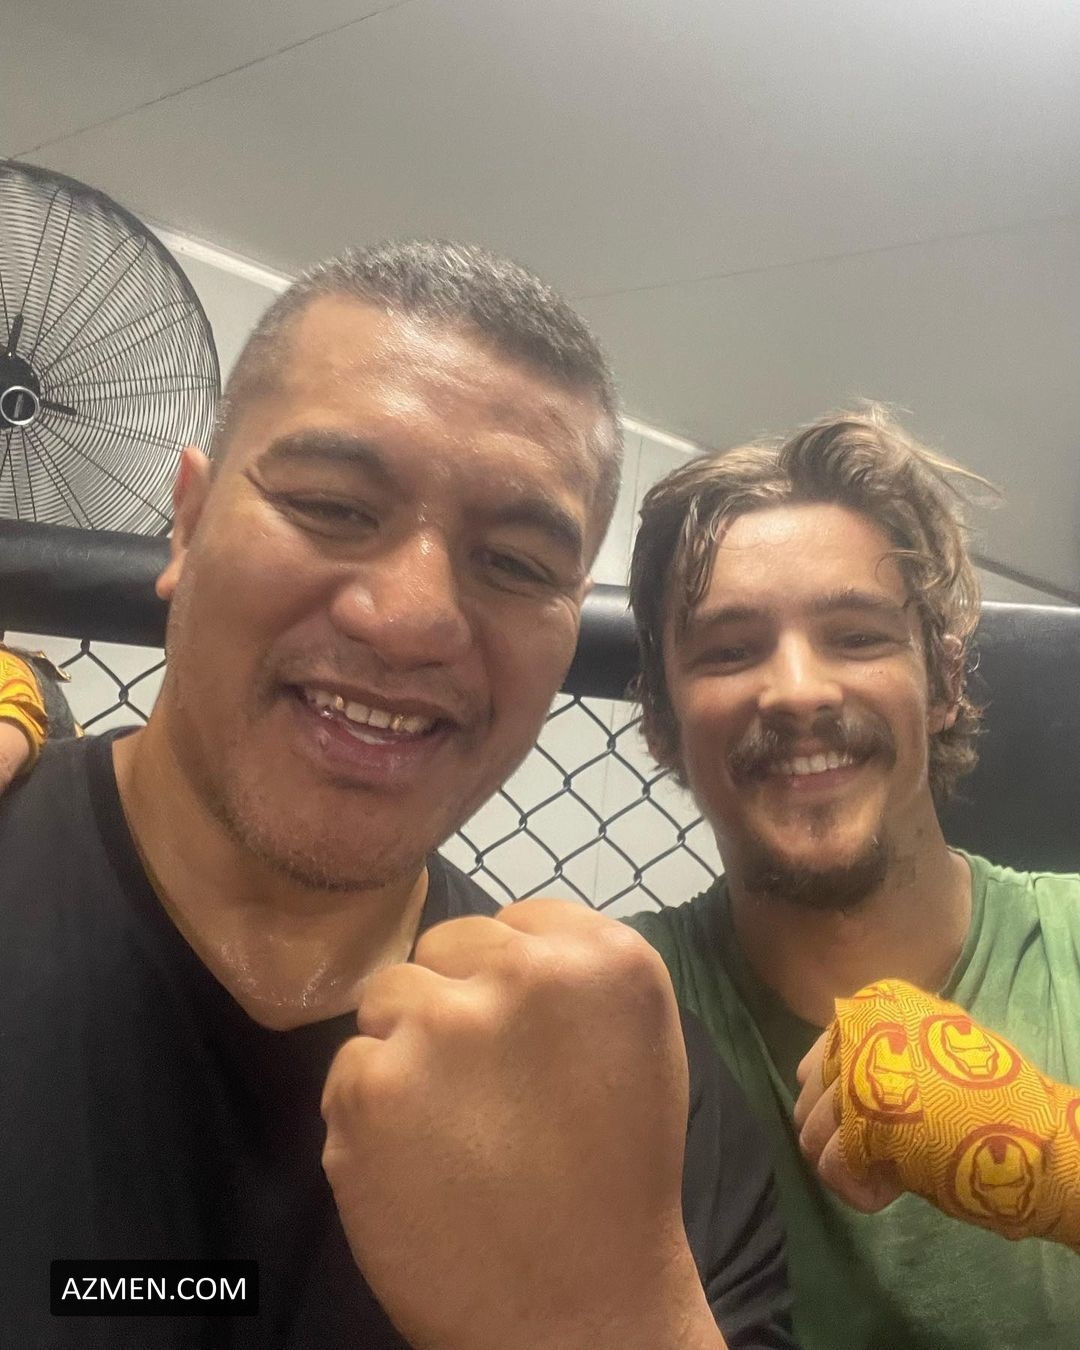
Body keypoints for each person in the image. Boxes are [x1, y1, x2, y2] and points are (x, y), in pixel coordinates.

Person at [0, 241, 794, 1349]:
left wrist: (612, 1321)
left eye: (515, 564)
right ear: (186, 521)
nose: (412, 618)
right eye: (333, 506)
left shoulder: (651, 1112)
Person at [624, 407, 1080, 1350]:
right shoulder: (617, 1006)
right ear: (662, 723)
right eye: (730, 650)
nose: (798, 690)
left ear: (944, 683)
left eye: (857, 637)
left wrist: (1058, 1158)